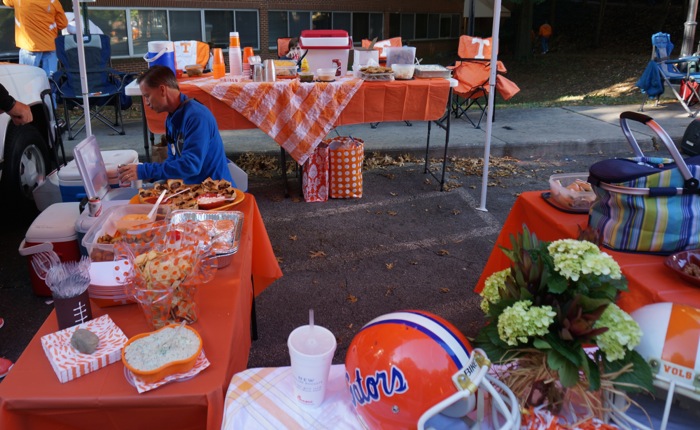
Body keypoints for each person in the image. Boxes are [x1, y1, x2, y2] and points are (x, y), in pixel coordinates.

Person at [118, 65, 233, 186]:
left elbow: (191, 166)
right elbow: (174, 160)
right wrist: (152, 177)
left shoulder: (197, 117)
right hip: (193, 188)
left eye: (147, 96)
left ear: (162, 90)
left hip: (217, 191)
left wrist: (145, 171)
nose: (146, 103)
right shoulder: (172, 118)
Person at [3, 0, 68, 79]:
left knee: (27, 77)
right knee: (50, 79)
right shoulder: (53, 1)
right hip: (49, 44)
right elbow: (63, 23)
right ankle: (49, 91)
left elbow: (6, 2)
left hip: (30, 44)